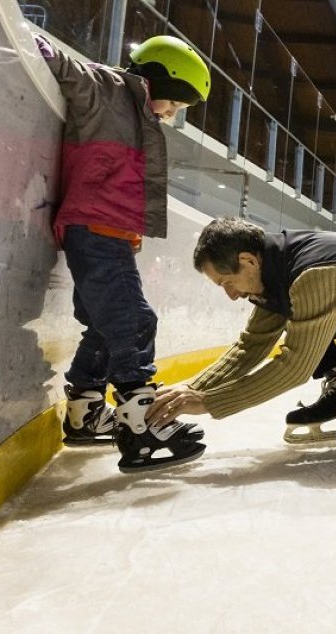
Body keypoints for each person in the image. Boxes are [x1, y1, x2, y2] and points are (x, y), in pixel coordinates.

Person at [36, 33, 211, 472]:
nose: (173, 114)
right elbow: (60, 63)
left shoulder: (137, 113)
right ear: (165, 82)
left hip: (107, 233)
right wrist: (24, 34)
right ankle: (140, 422)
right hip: (96, 229)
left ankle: (87, 413)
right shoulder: (109, 89)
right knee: (135, 322)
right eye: (177, 105)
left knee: (102, 323)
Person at [148, 218, 336, 455]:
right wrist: (189, 389)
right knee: (304, 325)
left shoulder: (316, 273)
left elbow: (295, 367)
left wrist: (209, 403)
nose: (231, 295)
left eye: (227, 282)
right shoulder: (273, 269)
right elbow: (251, 346)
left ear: (248, 261)